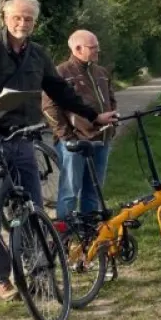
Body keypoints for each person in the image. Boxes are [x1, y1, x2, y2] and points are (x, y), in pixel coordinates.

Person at [0, 0, 117, 301]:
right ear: (5, 18)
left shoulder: (37, 54)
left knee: (33, 209)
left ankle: (39, 271)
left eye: (28, 19)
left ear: (34, 22)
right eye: (17, 17)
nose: (22, 23)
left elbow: (59, 91)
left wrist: (94, 115)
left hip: (25, 139)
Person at [42, 29, 117, 218]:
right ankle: (65, 236)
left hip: (102, 139)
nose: (97, 52)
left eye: (97, 48)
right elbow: (49, 107)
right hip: (75, 142)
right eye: (93, 48)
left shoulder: (101, 72)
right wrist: (67, 137)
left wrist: (113, 124)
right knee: (69, 191)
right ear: (77, 48)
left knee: (94, 189)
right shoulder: (60, 72)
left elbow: (111, 98)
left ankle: (88, 232)